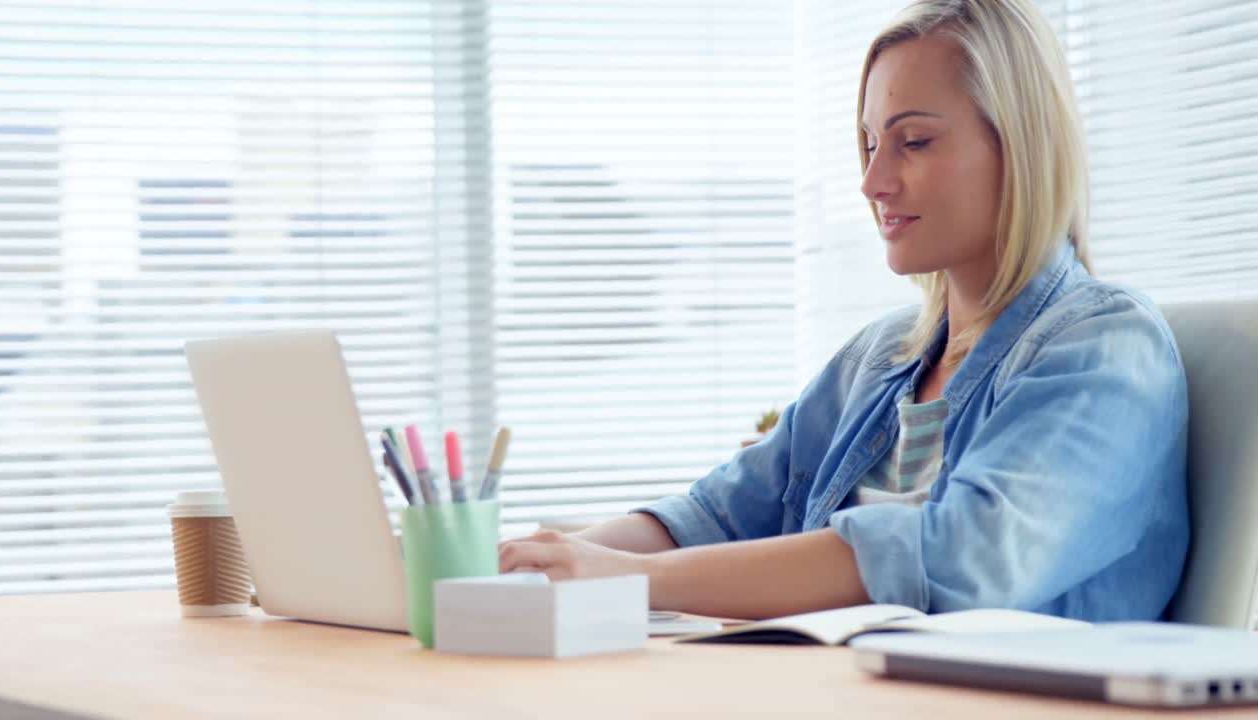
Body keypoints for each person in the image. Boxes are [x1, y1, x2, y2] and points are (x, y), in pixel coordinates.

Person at [498, 0, 1189, 622]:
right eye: (869, 144)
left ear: (1020, 143)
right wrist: (536, 564)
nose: (872, 181)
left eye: (912, 142)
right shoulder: (878, 356)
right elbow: (718, 515)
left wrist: (631, 579)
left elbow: (960, 559)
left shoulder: (1106, 346)